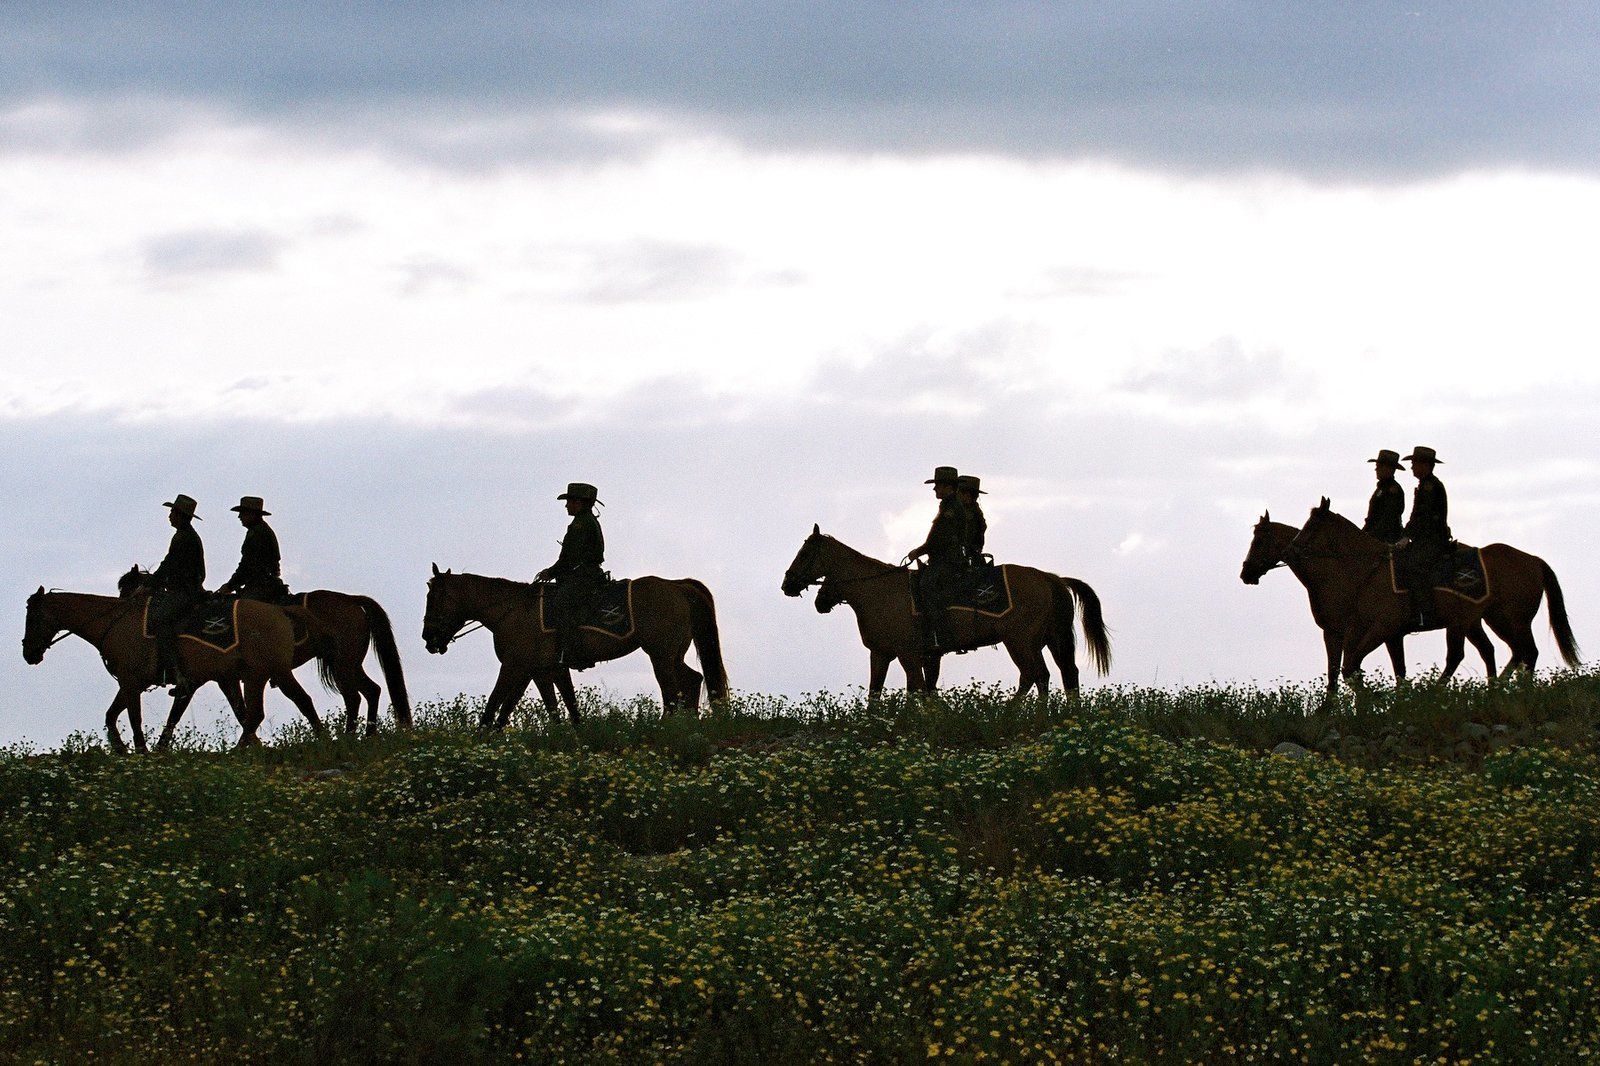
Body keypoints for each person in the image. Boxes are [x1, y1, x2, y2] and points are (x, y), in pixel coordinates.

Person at [536, 482, 606, 670]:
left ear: (580, 503)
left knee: (561, 602)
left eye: (570, 502)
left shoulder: (581, 524)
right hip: (584, 574)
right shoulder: (584, 521)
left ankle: (569, 652)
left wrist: (551, 572)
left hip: (584, 576)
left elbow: (569, 557)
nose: (567, 505)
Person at [902, 466, 970, 650]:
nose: (935, 489)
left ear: (948, 487)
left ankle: (940, 635)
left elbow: (940, 538)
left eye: (938, 485)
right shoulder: (947, 506)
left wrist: (920, 550)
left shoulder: (951, 508)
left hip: (948, 560)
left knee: (927, 585)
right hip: (943, 559)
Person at [148, 494, 206, 697]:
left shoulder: (183, 537)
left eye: (172, 512)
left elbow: (169, 565)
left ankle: (175, 673)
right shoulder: (186, 535)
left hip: (185, 592)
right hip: (187, 589)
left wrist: (150, 584)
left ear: (180, 515)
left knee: (160, 620)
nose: (170, 516)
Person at [1396, 446, 1451, 630]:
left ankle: (1425, 613)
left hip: (1433, 541)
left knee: (1414, 566)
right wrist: (1406, 535)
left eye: (1414, 464)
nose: (1411, 467)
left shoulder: (1430, 486)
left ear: (1425, 465)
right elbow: (1415, 517)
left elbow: (1424, 517)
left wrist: (1407, 537)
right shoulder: (1425, 485)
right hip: (1424, 540)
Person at [217, 496, 288, 602]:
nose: (239, 517)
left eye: (243, 513)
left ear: (252, 515)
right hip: (267, 583)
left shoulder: (257, 534)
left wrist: (230, 586)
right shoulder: (262, 530)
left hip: (261, 586)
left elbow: (247, 565)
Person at [1361, 450, 1406, 544]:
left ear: (1389, 469)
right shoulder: (1381, 488)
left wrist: (1371, 536)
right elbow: (1372, 518)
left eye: (1379, 466)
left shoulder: (1393, 490)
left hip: (1387, 539)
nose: (1376, 469)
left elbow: (1389, 518)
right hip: (1376, 536)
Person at [956, 474, 988, 560]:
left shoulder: (968, 514)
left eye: (958, 492)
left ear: (967, 495)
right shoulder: (976, 512)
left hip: (964, 558)